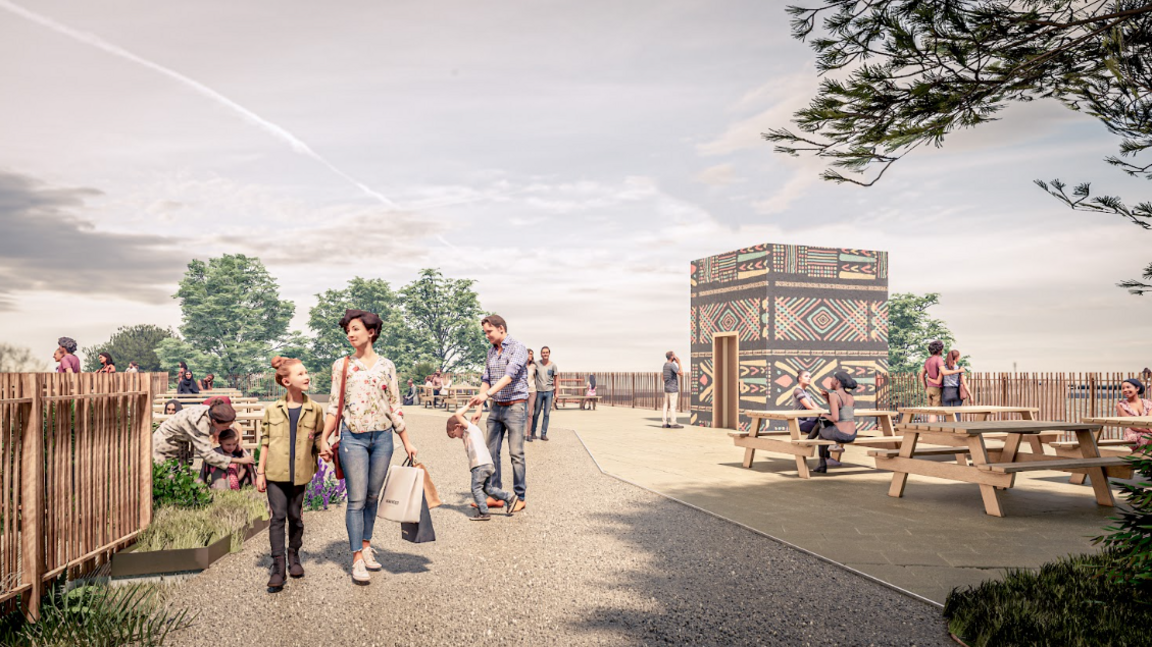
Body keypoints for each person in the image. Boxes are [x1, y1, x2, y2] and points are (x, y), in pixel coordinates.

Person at [320, 309, 417, 586]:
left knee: (373, 497)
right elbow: (333, 406)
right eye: (348, 330)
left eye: (355, 329)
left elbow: (395, 406)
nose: (350, 334)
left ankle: (366, 545)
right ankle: (356, 559)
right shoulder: (343, 365)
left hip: (383, 439)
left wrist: (407, 442)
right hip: (354, 438)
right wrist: (323, 439)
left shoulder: (387, 366)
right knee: (357, 499)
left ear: (371, 332)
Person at [256, 356, 327, 592]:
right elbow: (265, 442)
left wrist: (324, 449)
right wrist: (260, 473)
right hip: (275, 472)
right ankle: (278, 567)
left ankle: (294, 554)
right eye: (300, 374)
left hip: (301, 473)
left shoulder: (315, 409)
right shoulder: (272, 411)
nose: (306, 377)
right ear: (286, 381)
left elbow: (318, 438)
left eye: (306, 372)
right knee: (277, 517)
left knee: (295, 516)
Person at [468, 314, 529, 510]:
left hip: (515, 407)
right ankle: (496, 494)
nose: (487, 336)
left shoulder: (518, 348)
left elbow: (509, 376)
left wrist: (487, 395)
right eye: (485, 332)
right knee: (490, 452)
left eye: (489, 332)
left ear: (501, 328)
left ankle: (520, 497)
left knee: (516, 454)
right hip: (496, 408)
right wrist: (479, 407)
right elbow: (486, 379)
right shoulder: (491, 352)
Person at [447, 403, 519, 521]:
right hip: (488, 464)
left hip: (479, 465)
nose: (457, 437)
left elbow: (458, 414)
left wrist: (470, 404)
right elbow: (471, 424)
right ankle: (509, 497)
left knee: (475, 488)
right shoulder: (472, 429)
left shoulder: (468, 429)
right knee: (488, 489)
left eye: (455, 434)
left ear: (458, 426)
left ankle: (484, 512)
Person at [152, 400, 251, 472]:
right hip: (164, 446)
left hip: (180, 445)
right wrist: (239, 460)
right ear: (214, 421)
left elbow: (227, 428)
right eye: (225, 426)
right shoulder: (200, 423)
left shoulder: (212, 412)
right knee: (168, 479)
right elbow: (207, 455)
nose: (227, 428)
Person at [812, 371, 859, 473]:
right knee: (824, 427)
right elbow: (841, 411)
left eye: (832, 379)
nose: (831, 381)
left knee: (821, 430)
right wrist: (827, 398)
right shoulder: (850, 396)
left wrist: (824, 415)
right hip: (852, 434)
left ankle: (821, 463)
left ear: (837, 381)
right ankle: (822, 460)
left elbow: (835, 418)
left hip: (841, 435)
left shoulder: (835, 395)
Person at [1116, 378, 1152, 451]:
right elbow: (1130, 424)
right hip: (1132, 434)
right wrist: (1148, 431)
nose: (1125, 390)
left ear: (1137, 388)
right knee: (1147, 438)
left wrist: (1150, 430)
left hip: (1149, 431)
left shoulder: (1148, 403)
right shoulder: (1121, 405)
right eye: (1123, 388)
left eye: (1128, 387)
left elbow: (1150, 419)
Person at [530, 346, 558, 441]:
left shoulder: (553, 366)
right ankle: (532, 432)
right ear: (541, 354)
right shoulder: (537, 364)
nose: (545, 354)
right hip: (539, 392)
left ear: (549, 354)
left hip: (549, 392)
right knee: (536, 412)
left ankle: (543, 434)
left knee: (546, 413)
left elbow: (556, 379)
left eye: (546, 352)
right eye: (543, 352)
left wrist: (557, 393)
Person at [918, 341, 946, 421]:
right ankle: (932, 431)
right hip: (937, 388)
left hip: (929, 388)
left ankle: (930, 429)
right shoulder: (939, 359)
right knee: (934, 412)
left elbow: (922, 375)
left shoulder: (928, 360)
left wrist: (926, 387)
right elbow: (943, 371)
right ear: (940, 349)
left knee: (931, 412)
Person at [793, 370, 823, 438]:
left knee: (826, 424)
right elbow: (809, 407)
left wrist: (824, 411)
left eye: (810, 377)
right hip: (800, 422)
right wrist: (822, 412)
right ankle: (808, 441)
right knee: (823, 428)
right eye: (806, 376)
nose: (809, 378)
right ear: (800, 378)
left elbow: (815, 406)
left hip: (807, 421)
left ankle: (810, 440)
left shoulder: (806, 393)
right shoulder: (797, 391)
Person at [662, 351, 683, 429]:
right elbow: (681, 373)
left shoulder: (665, 365)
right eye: (674, 355)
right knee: (673, 406)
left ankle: (664, 422)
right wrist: (679, 363)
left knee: (665, 405)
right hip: (673, 388)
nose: (675, 357)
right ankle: (673, 423)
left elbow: (663, 377)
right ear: (671, 357)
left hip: (667, 388)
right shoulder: (672, 365)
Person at [525, 349, 537, 440]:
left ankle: (528, 434)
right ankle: (521, 433)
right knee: (521, 413)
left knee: (529, 413)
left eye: (531, 354)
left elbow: (538, 378)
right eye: (528, 354)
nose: (530, 356)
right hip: (522, 392)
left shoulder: (534, 366)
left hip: (532, 390)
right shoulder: (520, 366)